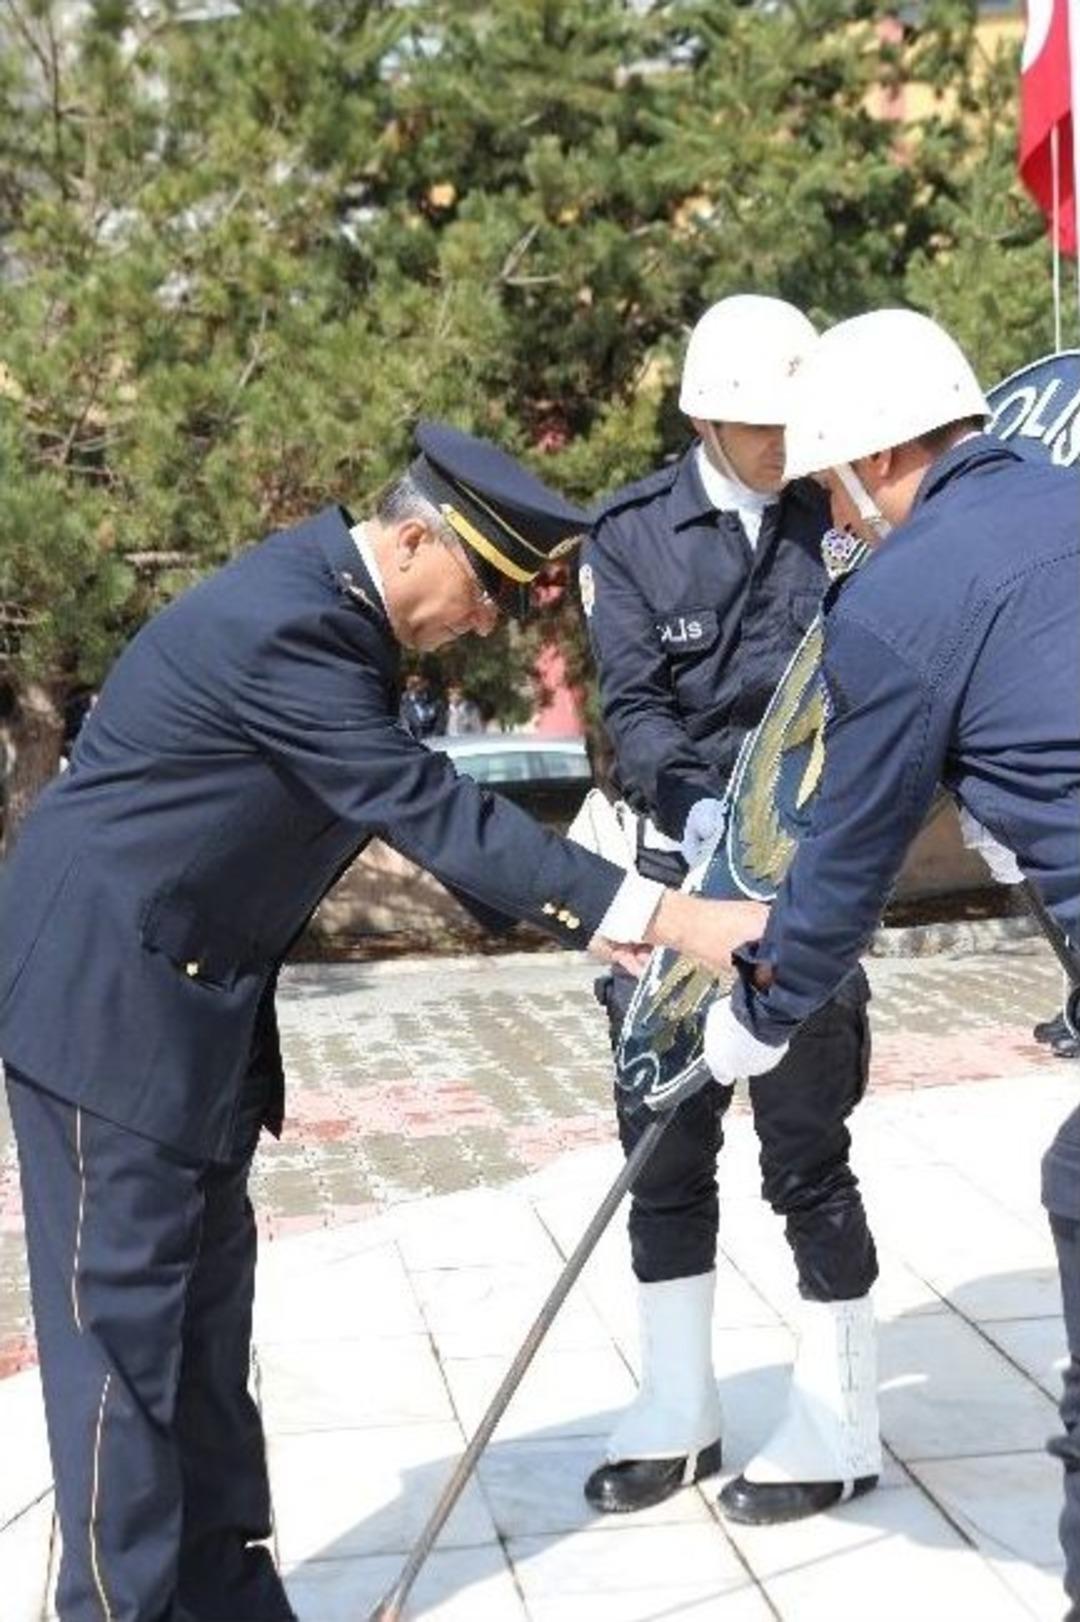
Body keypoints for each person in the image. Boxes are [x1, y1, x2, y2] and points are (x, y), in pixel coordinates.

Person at [0, 420, 764, 1622]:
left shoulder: (333, 614)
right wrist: (669, 913)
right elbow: (420, 802)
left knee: (204, 1337)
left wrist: (594, 920)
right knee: (123, 1361)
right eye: (484, 593)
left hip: (190, 1003)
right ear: (413, 537)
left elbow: (413, 817)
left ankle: (226, 1596)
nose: (487, 625)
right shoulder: (286, 627)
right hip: (109, 1011)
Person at [689, 309, 1079, 1609]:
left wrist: (761, 1005)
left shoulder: (904, 600)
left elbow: (841, 861)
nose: (831, 512)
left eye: (830, 482)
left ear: (881, 453)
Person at [578, 294, 879, 1526]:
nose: (782, 444)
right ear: (705, 415)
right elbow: (634, 706)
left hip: (806, 890)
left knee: (807, 1152)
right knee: (664, 1146)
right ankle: (677, 1402)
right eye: (760, 424)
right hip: (675, 878)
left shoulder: (842, 518)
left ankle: (840, 1419)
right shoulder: (634, 535)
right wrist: (701, 810)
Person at [398, 670, 445, 739]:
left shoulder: (436, 703)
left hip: (434, 742)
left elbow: (440, 726)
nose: (412, 686)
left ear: (426, 683)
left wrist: (432, 739)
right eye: (410, 683)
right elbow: (404, 726)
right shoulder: (403, 704)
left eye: (416, 683)